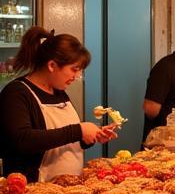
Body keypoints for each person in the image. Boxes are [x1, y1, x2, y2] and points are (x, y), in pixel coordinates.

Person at [0, 27, 118, 181]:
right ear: (52, 65)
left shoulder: (59, 93)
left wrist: (89, 136)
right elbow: (22, 140)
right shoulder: (17, 93)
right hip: (33, 188)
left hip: (67, 186)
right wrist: (78, 131)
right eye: (74, 70)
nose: (77, 76)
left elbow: (63, 140)